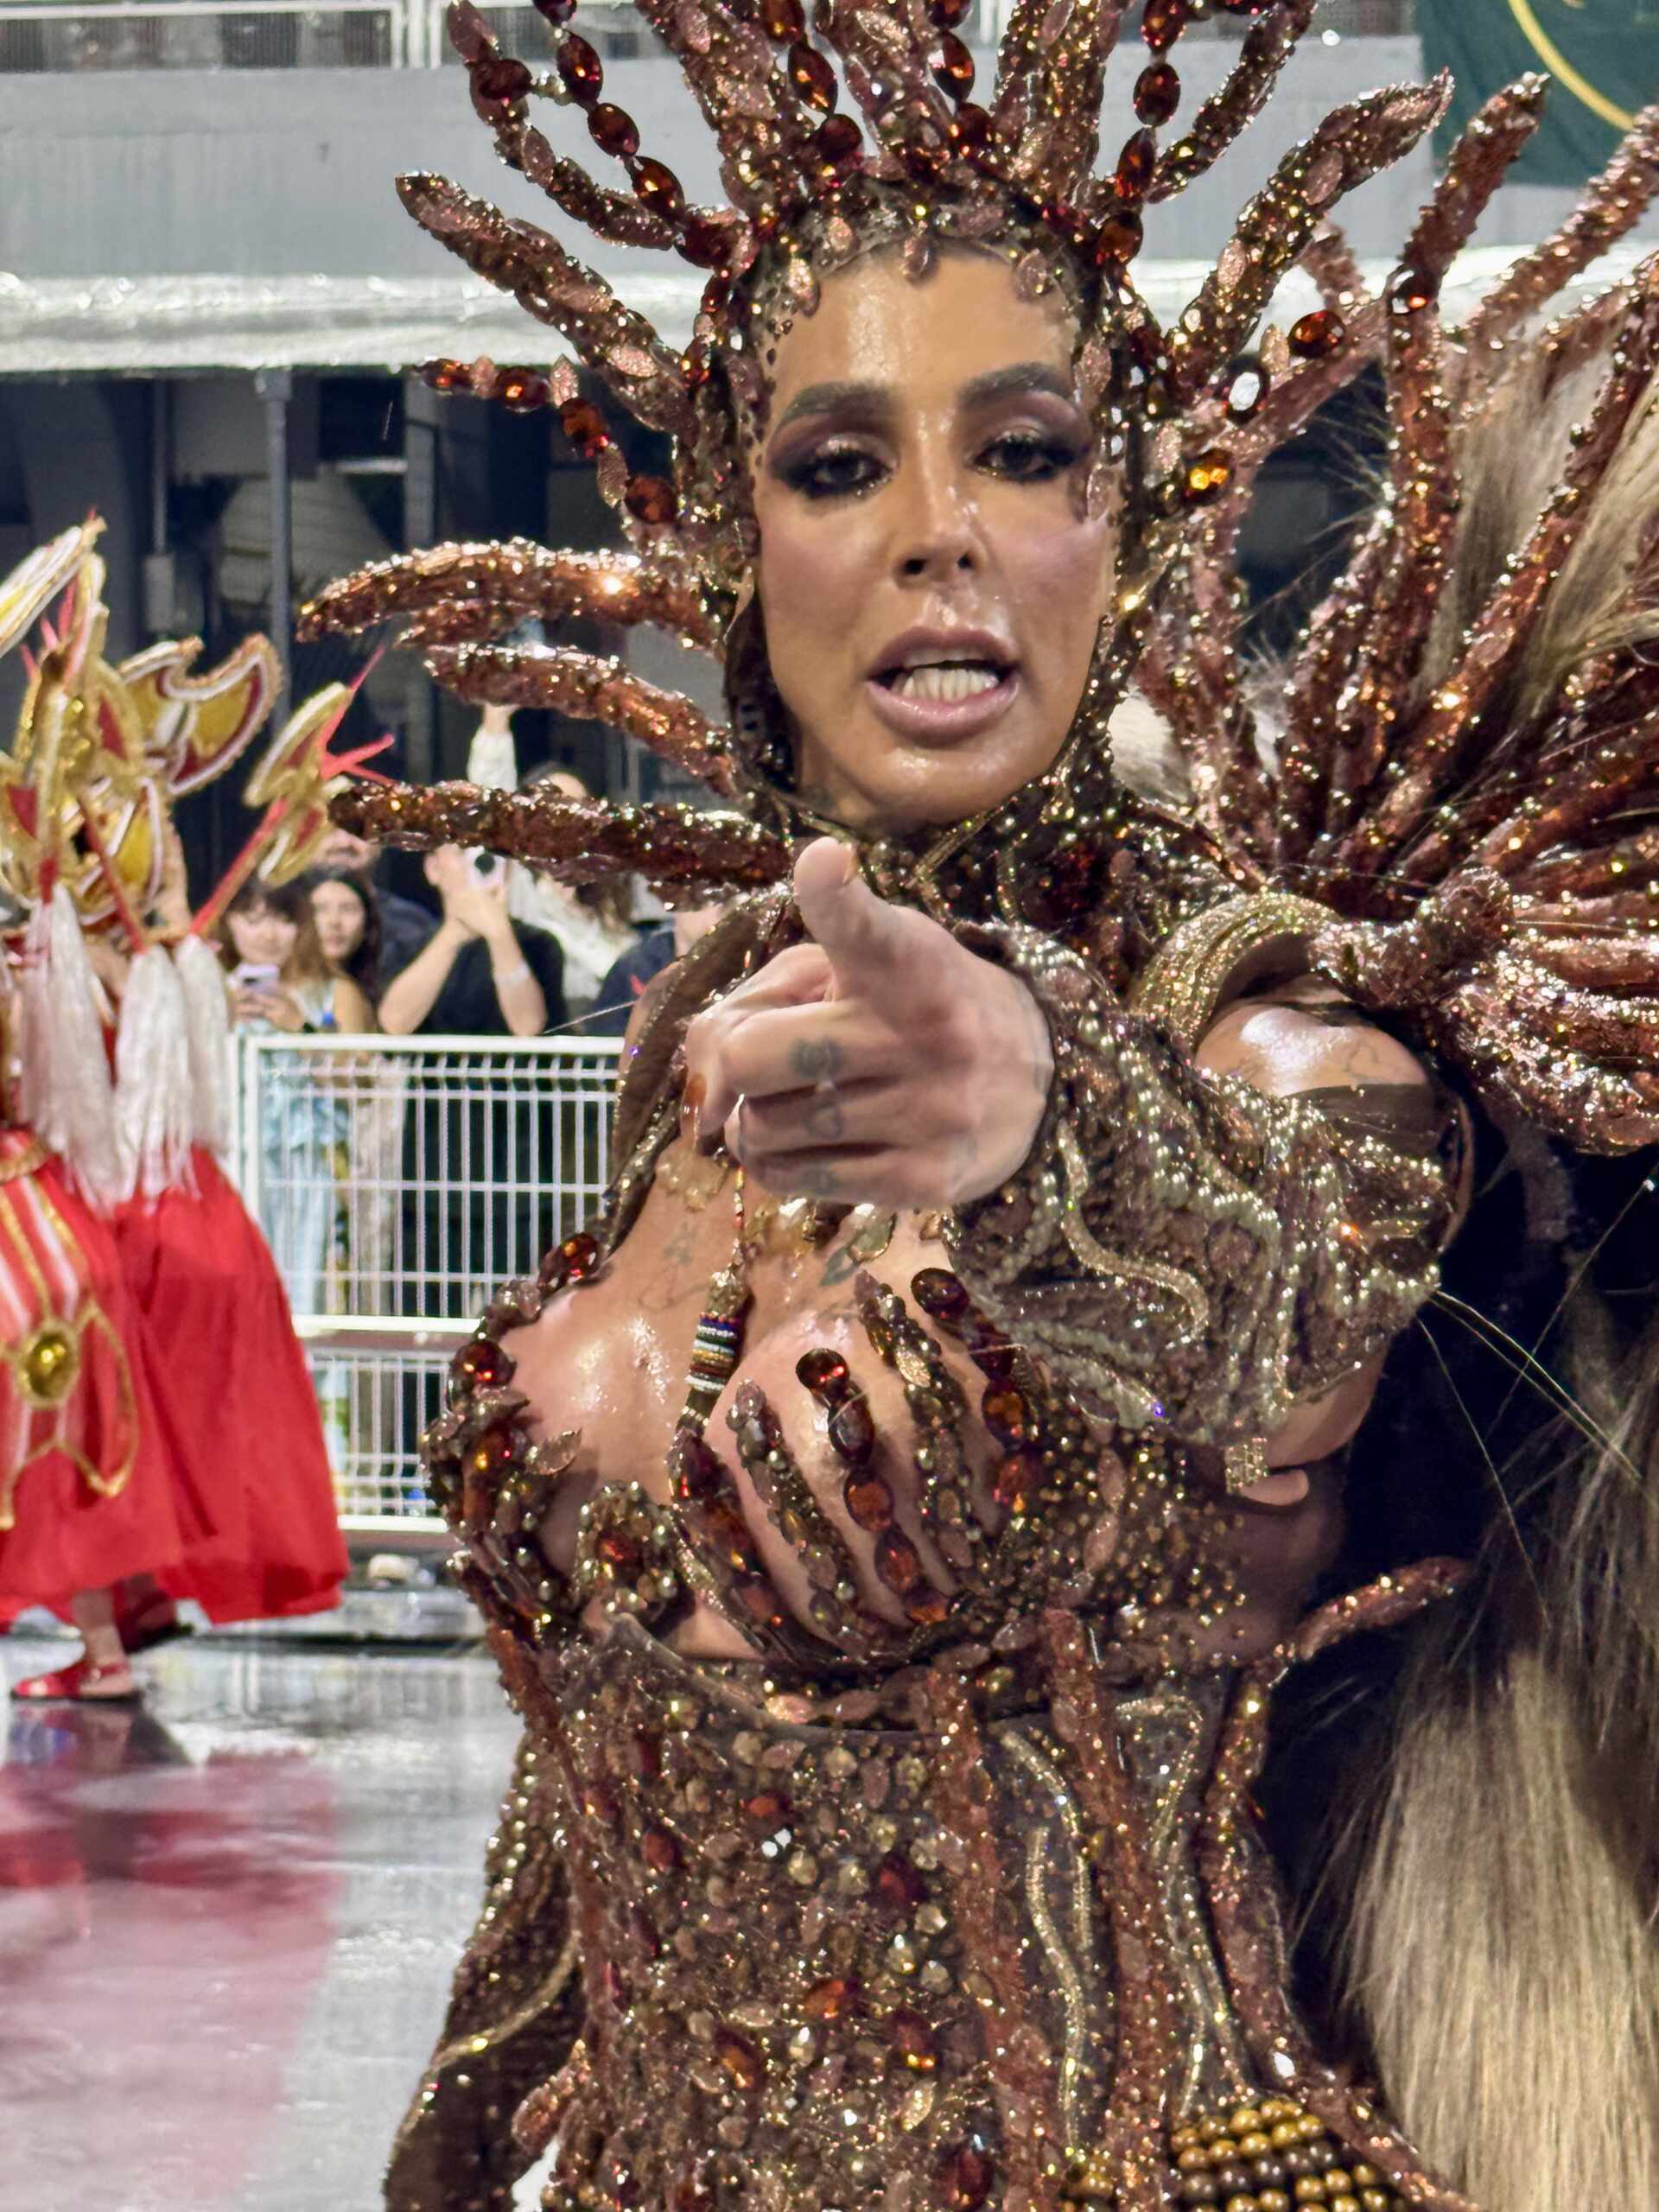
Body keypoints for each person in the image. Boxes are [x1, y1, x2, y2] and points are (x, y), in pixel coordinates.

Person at [302, 18, 1659, 2212]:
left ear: (1127, 522)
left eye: (1024, 450)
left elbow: (1277, 1292)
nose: (941, 535)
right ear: (724, 543)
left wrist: (1041, 1109)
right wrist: (466, 2107)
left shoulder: (1267, 1034)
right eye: (838, 464)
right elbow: (618, 1746)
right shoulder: (713, 1056)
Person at [314, 818, 437, 988]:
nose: (343, 843)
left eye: (358, 831)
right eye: (330, 831)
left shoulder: (413, 927)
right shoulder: (282, 914)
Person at [588, 902, 721, 1038]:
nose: (717, 915)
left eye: (725, 905)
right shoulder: (636, 965)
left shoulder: (737, 963)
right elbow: (603, 1036)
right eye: (705, 904)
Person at [306, 864, 385, 1007]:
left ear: (368, 925)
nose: (334, 921)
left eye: (347, 909)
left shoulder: (385, 990)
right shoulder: (281, 990)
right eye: (321, 909)